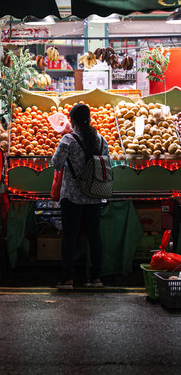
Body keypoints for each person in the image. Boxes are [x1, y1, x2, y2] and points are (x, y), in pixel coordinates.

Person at [51, 102, 110, 290]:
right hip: (95, 195)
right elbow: (106, 164)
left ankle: (68, 279)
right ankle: (95, 278)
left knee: (70, 236)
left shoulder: (68, 140)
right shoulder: (101, 139)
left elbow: (56, 164)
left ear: (72, 120)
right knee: (94, 236)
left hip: (72, 196)